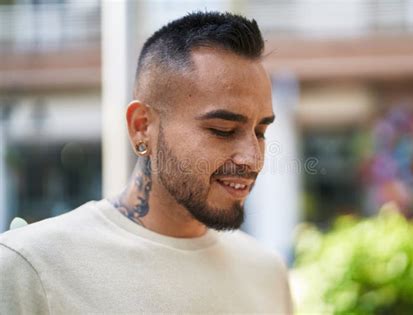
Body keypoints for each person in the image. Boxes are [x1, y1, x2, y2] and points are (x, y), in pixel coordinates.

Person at [0, 11, 293, 314]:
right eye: (222, 130)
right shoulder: (29, 268)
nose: (252, 157)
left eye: (260, 131)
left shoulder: (267, 273)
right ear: (142, 127)